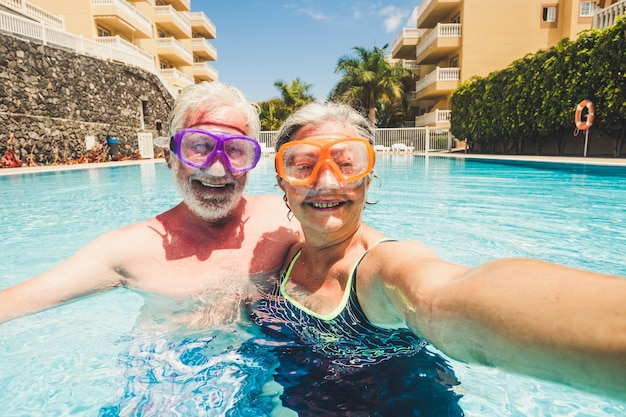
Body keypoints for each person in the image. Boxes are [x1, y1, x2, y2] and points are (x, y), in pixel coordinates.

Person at [250, 101, 626, 415]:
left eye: (347, 164)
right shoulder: (285, 258)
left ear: (369, 177)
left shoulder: (380, 267)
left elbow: (441, 295)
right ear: (282, 180)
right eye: (303, 165)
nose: (326, 182)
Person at [0, 81, 301, 415]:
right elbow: (17, 301)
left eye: (235, 150)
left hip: (256, 377)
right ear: (170, 156)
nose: (218, 168)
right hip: (168, 382)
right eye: (198, 146)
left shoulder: (282, 222)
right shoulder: (129, 248)